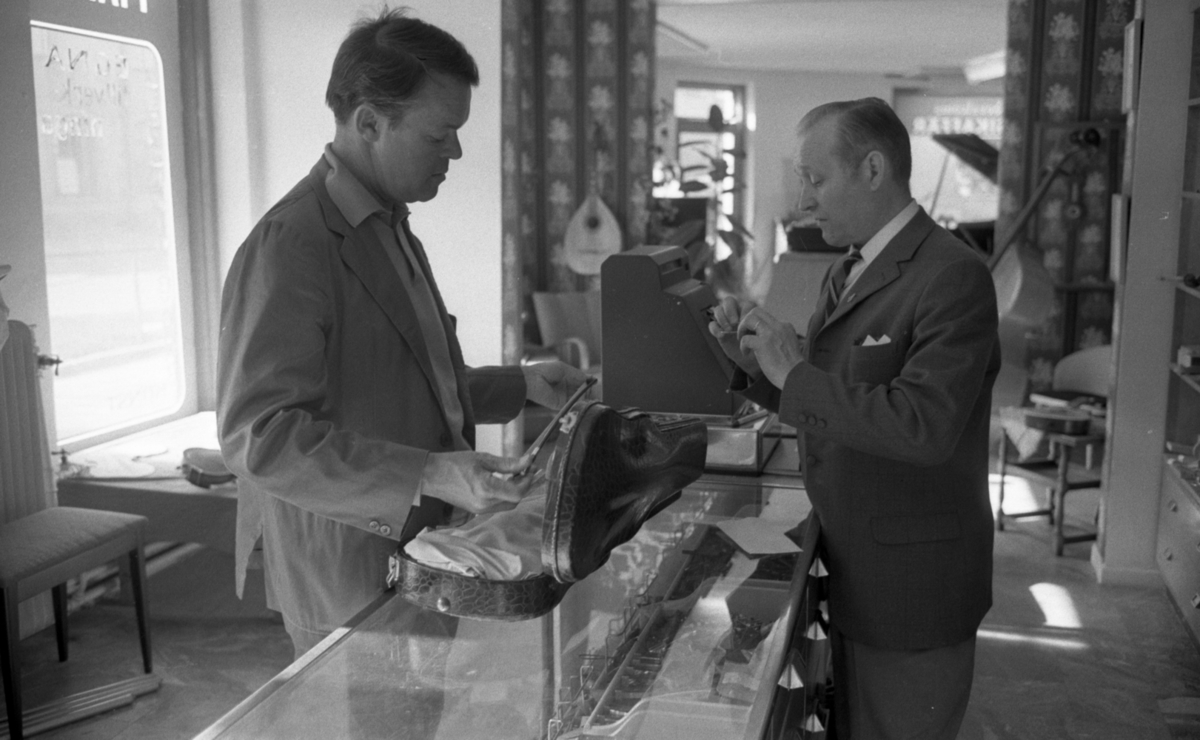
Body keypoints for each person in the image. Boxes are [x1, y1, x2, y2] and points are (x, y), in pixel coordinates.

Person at [216, 8, 588, 659]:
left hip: (421, 549)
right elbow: (259, 436)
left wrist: (522, 386)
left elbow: (403, 377)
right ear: (369, 124)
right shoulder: (291, 243)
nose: (456, 152)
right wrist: (433, 473)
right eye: (441, 134)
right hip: (348, 567)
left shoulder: (388, 223)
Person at [709, 97, 999, 739]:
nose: (803, 201)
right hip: (848, 564)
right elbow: (833, 403)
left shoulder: (953, 276)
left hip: (910, 588)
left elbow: (922, 426)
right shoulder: (847, 269)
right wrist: (755, 367)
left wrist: (793, 372)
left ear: (872, 169)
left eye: (815, 179)